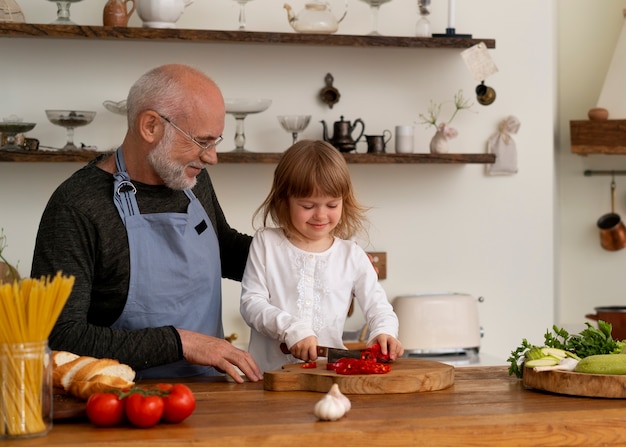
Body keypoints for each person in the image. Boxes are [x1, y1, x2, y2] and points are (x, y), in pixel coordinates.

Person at [30, 64, 262, 383]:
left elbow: (224, 250)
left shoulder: (193, 180)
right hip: (118, 400)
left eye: (215, 141)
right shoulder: (77, 206)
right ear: (150, 126)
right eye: (202, 141)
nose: (211, 158)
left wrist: (313, 255)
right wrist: (180, 342)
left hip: (212, 392)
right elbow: (61, 336)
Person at [240, 140, 404, 373]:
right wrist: (291, 329)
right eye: (308, 205)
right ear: (283, 200)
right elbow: (251, 304)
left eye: (332, 204)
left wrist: (383, 332)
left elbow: (379, 307)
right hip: (268, 378)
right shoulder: (266, 243)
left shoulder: (352, 255)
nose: (321, 215)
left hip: (328, 377)